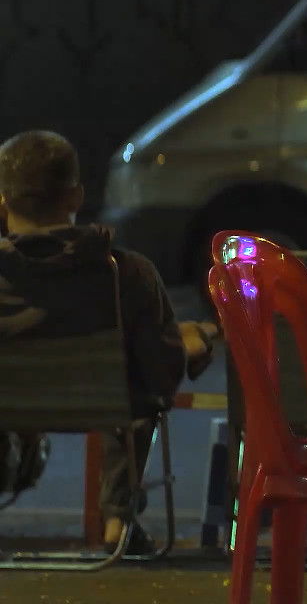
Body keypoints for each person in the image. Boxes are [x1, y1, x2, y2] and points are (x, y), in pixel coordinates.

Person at [0, 130, 219, 552]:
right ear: (76, 196)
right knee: (137, 385)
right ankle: (118, 518)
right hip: (104, 406)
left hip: (9, 414)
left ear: (2, 203)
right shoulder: (127, 272)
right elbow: (159, 376)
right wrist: (192, 344)